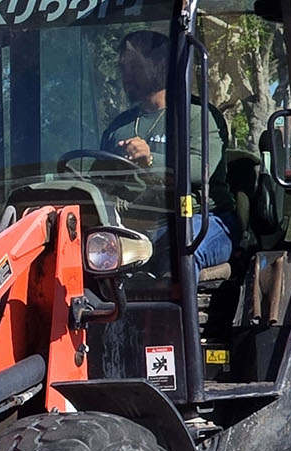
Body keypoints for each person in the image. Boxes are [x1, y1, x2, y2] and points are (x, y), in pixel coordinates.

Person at [100, 30, 238, 271]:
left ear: (156, 66)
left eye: (131, 67)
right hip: (136, 225)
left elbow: (200, 168)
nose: (124, 76)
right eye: (122, 68)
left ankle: (180, 309)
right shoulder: (118, 127)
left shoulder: (198, 114)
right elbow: (100, 178)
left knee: (181, 251)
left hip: (201, 219)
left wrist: (150, 160)